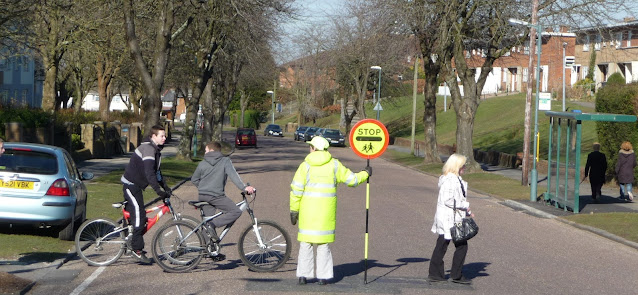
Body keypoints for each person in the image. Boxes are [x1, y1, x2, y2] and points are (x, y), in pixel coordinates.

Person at [290, 136, 371, 285]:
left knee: (305, 244)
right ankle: (323, 276)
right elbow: (351, 180)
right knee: (323, 245)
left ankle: (303, 275)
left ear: (314, 148)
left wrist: (294, 210)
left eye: (311, 146)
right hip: (325, 214)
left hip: (307, 213)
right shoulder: (334, 165)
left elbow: (296, 190)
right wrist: (365, 173)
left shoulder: (305, 166)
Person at [191, 141, 255, 259]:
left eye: (205, 150)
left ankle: (209, 251)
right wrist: (244, 187)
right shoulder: (225, 161)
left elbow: (194, 179)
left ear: (211, 150)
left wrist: (203, 187)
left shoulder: (202, 163)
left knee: (206, 222)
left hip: (203, 196)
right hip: (216, 196)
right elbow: (234, 176)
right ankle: (213, 225)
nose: (204, 153)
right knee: (235, 211)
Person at [120, 125, 171, 264]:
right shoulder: (149, 149)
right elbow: (149, 173)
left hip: (137, 186)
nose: (164, 138)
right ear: (153, 136)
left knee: (138, 216)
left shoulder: (156, 150)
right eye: (162, 136)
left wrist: (165, 187)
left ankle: (129, 240)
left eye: (164, 135)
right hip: (131, 185)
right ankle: (136, 250)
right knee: (140, 216)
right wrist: (158, 191)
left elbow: (157, 172)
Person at [428, 154, 474, 285]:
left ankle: (436, 273)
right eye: (463, 165)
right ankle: (455, 275)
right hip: (449, 218)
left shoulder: (454, 179)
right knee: (461, 245)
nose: (465, 167)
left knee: (443, 244)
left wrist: (467, 210)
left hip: (451, 217)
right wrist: (465, 205)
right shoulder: (450, 180)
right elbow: (448, 200)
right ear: (457, 166)